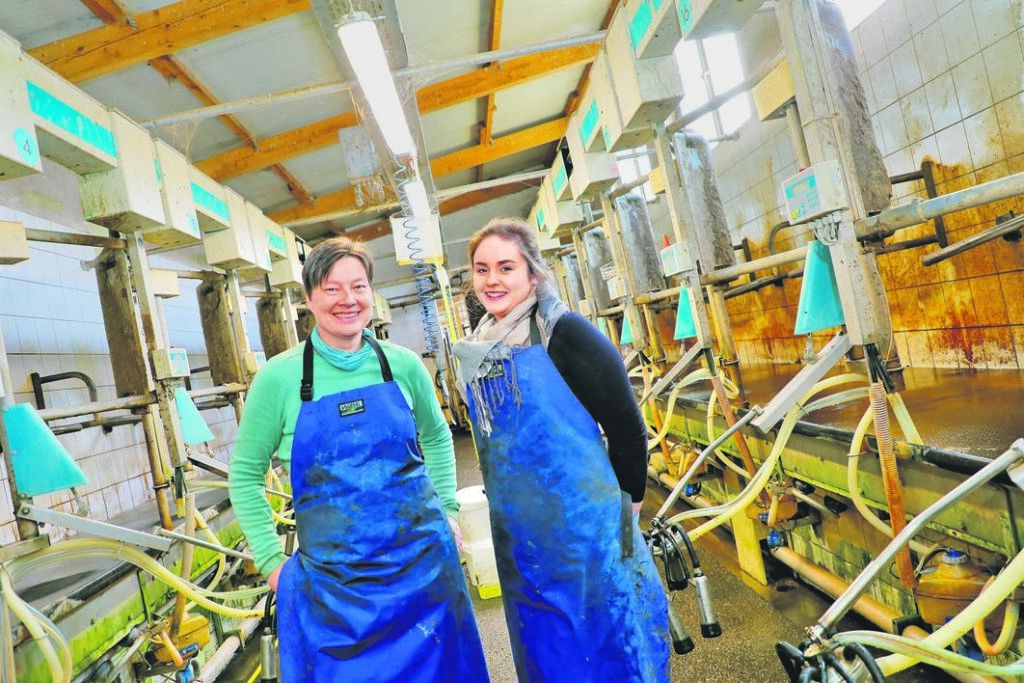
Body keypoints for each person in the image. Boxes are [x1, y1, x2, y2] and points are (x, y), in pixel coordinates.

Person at [229, 237, 489, 682]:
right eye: (332, 289)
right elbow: (245, 475)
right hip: (335, 590)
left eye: (359, 286)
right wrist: (272, 562)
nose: (348, 300)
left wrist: (446, 509)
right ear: (309, 298)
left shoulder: (403, 365)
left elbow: (438, 435)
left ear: (371, 293)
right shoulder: (279, 378)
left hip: (422, 570)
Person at [452, 217, 671, 682]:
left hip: (592, 532)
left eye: (506, 267)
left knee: (613, 643)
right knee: (549, 655)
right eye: (482, 269)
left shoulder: (564, 332)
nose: (493, 280)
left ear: (532, 273)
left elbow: (628, 427)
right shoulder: (477, 346)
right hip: (521, 541)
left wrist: (626, 512)